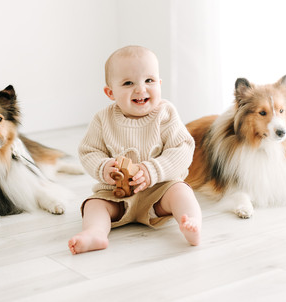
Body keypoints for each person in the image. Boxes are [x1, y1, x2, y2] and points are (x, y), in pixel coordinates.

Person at [68, 45, 201, 255]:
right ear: (110, 92)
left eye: (149, 80)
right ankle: (95, 233)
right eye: (128, 83)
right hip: (116, 196)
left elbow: (182, 148)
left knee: (181, 191)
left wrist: (153, 171)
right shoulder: (103, 119)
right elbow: (88, 151)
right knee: (93, 205)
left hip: (159, 193)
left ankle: (191, 223)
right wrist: (104, 168)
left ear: (159, 83)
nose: (140, 89)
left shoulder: (165, 114)